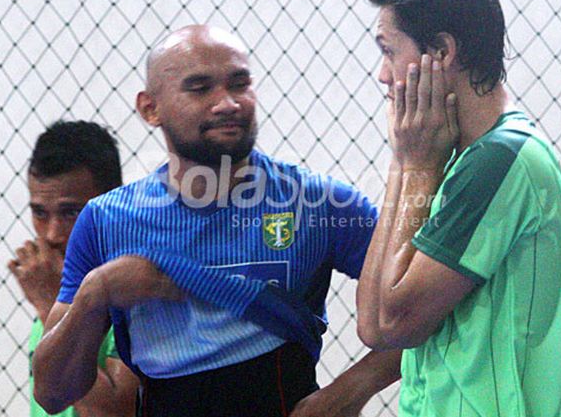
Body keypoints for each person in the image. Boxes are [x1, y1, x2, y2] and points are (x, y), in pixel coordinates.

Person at [32, 25, 403, 417]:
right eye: (200, 87)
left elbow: (424, 307)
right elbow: (53, 395)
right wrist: (96, 292)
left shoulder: (318, 203)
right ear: (149, 108)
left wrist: (348, 393)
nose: (227, 103)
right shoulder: (106, 222)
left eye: (239, 83)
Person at [356, 0, 561, 416]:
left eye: (388, 50)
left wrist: (412, 165)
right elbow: (373, 324)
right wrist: (406, 161)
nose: (383, 74)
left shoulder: (501, 159)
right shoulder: (459, 159)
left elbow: (393, 322)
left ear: (440, 52)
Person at [8, 120, 139, 417]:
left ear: (111, 201)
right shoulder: (56, 280)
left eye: (71, 212)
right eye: (40, 212)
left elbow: (116, 413)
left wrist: (51, 306)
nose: (52, 234)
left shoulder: (136, 287)